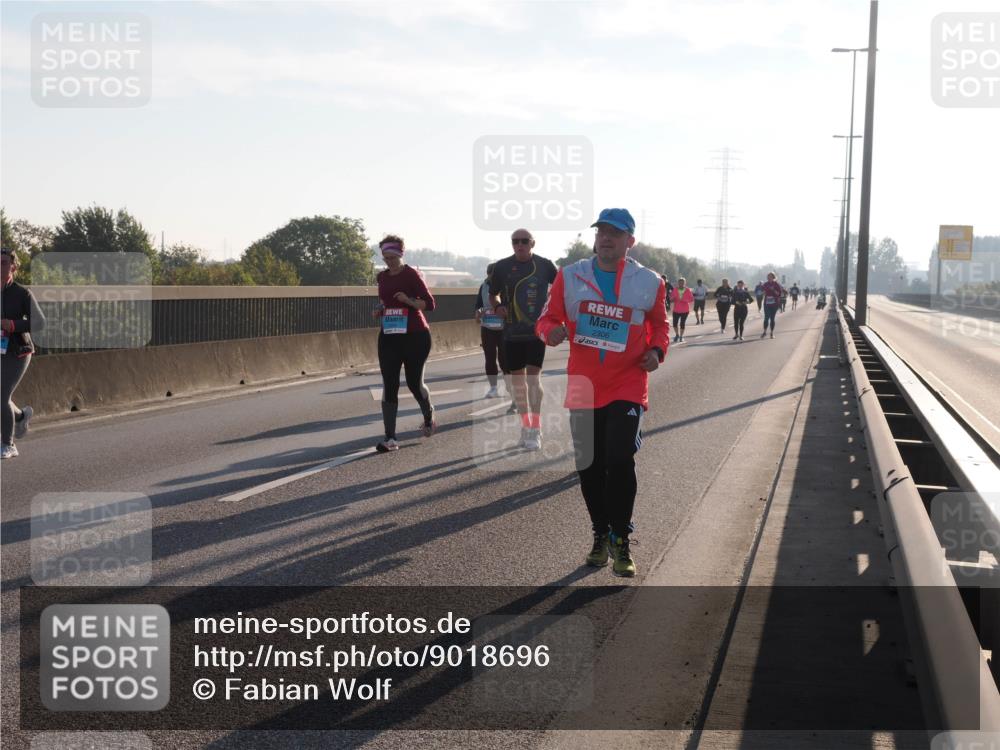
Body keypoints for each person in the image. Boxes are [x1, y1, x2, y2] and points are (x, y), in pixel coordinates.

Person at [536, 207, 669, 577]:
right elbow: (546, 319)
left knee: (619, 460)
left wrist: (657, 351)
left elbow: (660, 325)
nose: (606, 238)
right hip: (583, 381)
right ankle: (600, 533)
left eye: (615, 232)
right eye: (601, 232)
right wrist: (551, 332)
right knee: (589, 465)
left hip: (627, 381)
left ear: (631, 240)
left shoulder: (649, 282)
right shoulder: (571, 275)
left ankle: (622, 538)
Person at [489, 228, 558, 451]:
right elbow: (493, 293)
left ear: (533, 243)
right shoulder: (501, 266)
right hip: (511, 333)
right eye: (515, 241)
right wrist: (498, 306)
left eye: (524, 241)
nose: (520, 245)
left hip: (536, 332)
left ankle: (535, 428)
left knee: (533, 381)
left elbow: (560, 289)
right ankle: (526, 426)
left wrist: (554, 315)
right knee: (517, 385)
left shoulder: (545, 265)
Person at [372, 235, 436, 453]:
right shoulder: (381, 277)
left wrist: (408, 301)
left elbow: (429, 304)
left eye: (393, 257)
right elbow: (385, 301)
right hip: (389, 335)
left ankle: (428, 415)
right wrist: (380, 309)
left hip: (416, 335)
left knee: (413, 383)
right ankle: (390, 438)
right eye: (386, 257)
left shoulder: (411, 274)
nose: (389, 261)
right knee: (389, 384)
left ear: (401, 254)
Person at [1, 247, 45, 460]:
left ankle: (8, 445)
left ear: (13, 267)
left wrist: (13, 324)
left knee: (1, 397)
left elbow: (39, 322)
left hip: (18, 351)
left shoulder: (21, 293)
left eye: (3, 263)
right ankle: (20, 417)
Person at [474, 263, 510, 401]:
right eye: (489, 277)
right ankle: (493, 388)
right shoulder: (483, 286)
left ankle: (509, 385)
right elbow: (478, 306)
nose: (491, 280)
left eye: (493, 277)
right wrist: (479, 313)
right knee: (489, 358)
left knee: (504, 359)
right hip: (487, 328)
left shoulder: (506, 287)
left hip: (503, 328)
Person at [759, 271, 784, 339]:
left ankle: (772, 333)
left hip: (774, 304)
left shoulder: (776, 284)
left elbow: (779, 294)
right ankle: (764, 332)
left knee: (772, 319)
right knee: (766, 318)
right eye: (768, 276)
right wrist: (762, 292)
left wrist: (774, 290)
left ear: (773, 277)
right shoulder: (765, 284)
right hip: (767, 303)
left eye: (770, 276)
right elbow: (761, 291)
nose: (769, 277)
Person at [670, 278, 693, 343]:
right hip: (676, 309)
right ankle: (677, 334)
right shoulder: (675, 289)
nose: (681, 284)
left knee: (682, 323)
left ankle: (681, 336)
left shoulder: (687, 290)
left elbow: (691, 299)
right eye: (680, 282)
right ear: (678, 283)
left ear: (684, 283)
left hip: (685, 310)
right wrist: (673, 299)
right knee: (674, 324)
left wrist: (685, 300)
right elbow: (671, 298)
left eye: (682, 283)